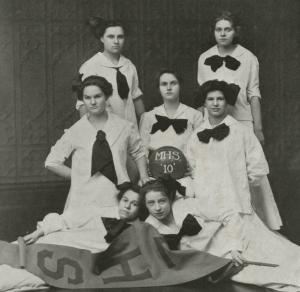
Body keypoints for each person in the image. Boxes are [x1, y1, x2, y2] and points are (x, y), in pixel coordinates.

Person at [197, 13, 282, 229]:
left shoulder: (248, 58)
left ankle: (259, 224)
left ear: (235, 31)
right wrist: (199, 124)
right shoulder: (204, 58)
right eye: (219, 30)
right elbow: (203, 96)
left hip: (241, 119)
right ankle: (221, 223)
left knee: (248, 172)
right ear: (213, 32)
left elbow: (253, 93)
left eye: (227, 29)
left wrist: (258, 127)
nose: (223, 34)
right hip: (213, 121)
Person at [141, 178, 300, 292]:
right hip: (221, 266)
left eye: (161, 201)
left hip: (239, 241)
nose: (157, 208)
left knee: (288, 262)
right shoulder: (150, 227)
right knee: (269, 278)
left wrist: (235, 247)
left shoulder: (187, 205)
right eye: (151, 203)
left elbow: (230, 214)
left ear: (169, 199)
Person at [45, 76, 149, 218]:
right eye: (87, 98)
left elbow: (138, 151)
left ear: (106, 96)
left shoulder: (124, 126)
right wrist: (77, 176)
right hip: (84, 197)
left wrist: (143, 176)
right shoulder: (76, 130)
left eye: (97, 96)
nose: (93, 102)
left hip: (116, 195)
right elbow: (51, 162)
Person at [139, 69, 203, 196]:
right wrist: (145, 175)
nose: (168, 88)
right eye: (164, 84)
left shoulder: (194, 115)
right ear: (158, 88)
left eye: (173, 83)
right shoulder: (148, 117)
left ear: (180, 86)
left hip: (184, 177)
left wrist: (194, 171)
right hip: (156, 177)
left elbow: (200, 149)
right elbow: (142, 150)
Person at [23, 183, 142, 250]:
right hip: (60, 242)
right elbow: (66, 219)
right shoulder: (100, 211)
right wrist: (37, 233)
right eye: (125, 200)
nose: (127, 206)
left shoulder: (140, 230)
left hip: (85, 260)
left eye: (134, 204)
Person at [76, 17, 145, 126]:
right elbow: (83, 105)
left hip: (130, 129)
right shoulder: (90, 67)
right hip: (105, 132)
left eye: (120, 37)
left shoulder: (129, 65)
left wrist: (145, 127)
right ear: (102, 38)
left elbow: (136, 97)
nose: (116, 41)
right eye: (111, 37)